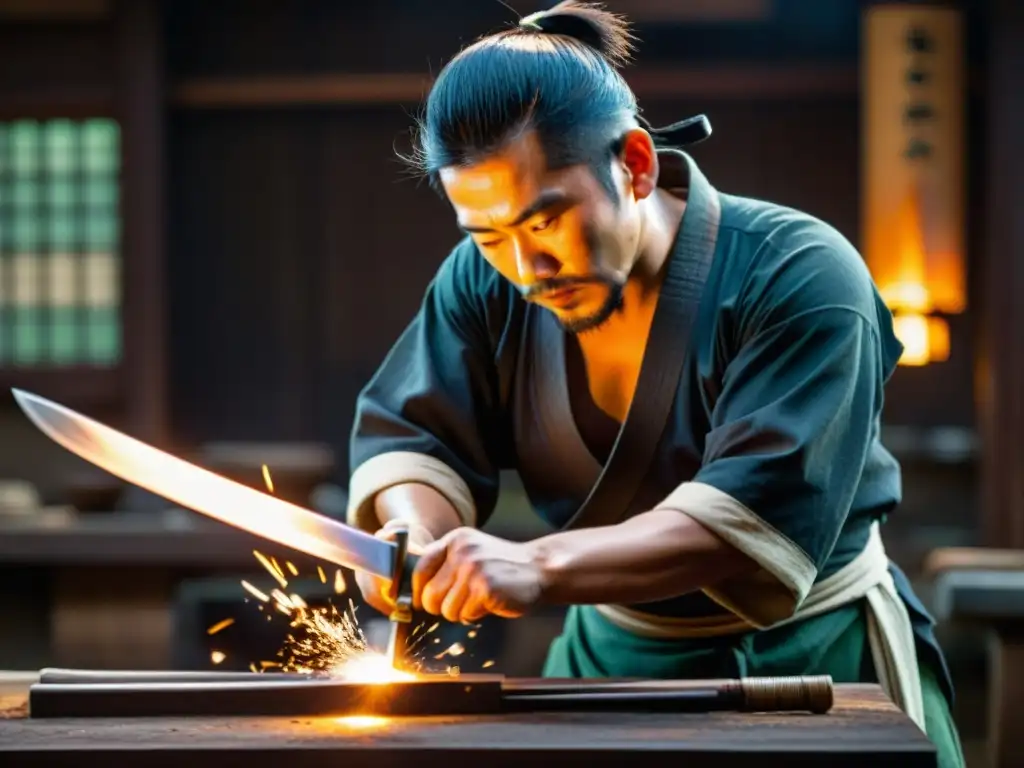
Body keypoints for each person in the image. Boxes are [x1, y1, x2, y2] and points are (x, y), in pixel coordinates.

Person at [346, 3, 964, 765]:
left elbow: (748, 515)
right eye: (489, 235)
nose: (524, 266)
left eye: (545, 222)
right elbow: (419, 433)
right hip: (607, 666)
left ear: (636, 164)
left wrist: (536, 565)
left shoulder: (801, 273)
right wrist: (418, 534)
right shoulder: (482, 282)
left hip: (818, 665)